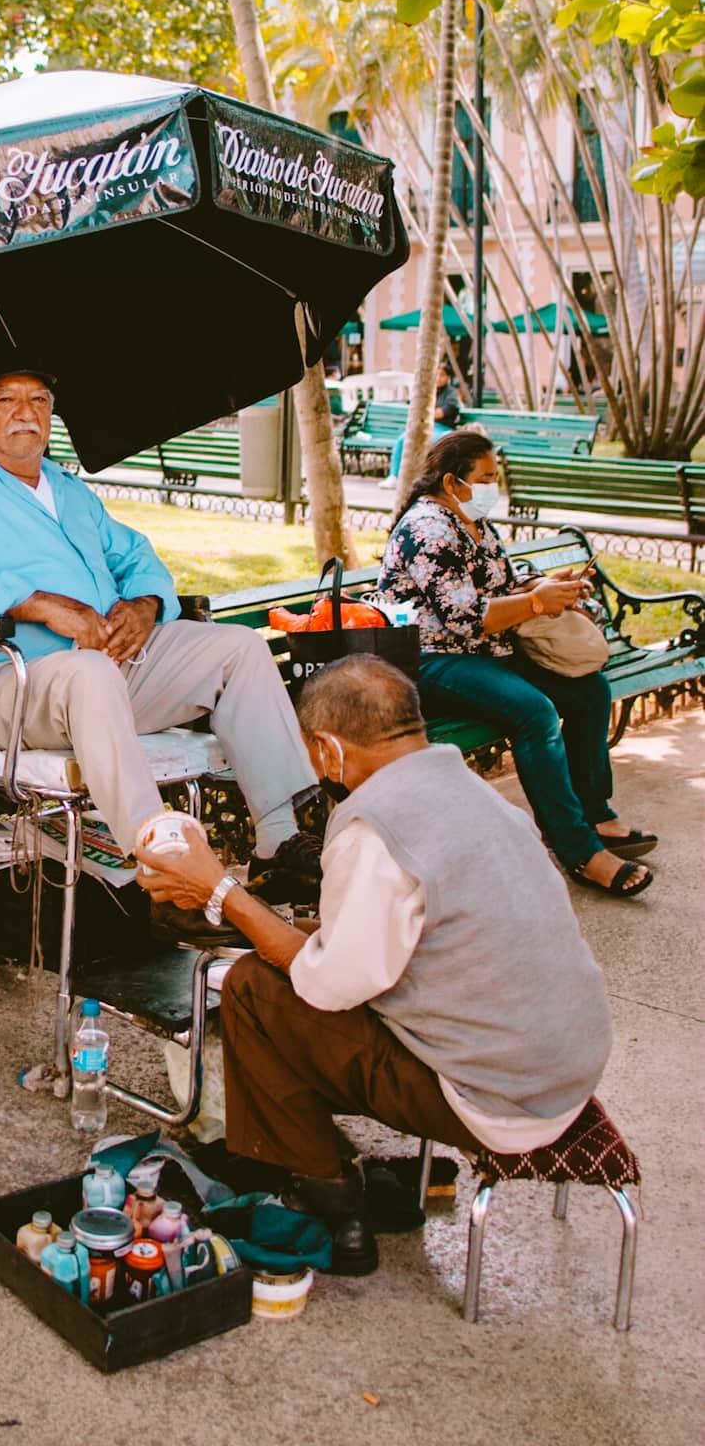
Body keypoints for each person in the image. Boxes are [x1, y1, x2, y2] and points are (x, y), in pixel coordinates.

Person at [135, 655, 615, 1274]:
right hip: (566, 1066)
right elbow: (385, 938)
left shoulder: (372, 825)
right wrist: (267, 921)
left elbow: (331, 985)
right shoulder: (476, 794)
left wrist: (220, 891)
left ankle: (326, 1192)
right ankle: (299, 1148)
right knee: (275, 956)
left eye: (310, 753)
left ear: (329, 749)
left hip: (499, 1098)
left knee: (255, 988)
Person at [0, 362, 316, 867]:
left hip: (109, 677)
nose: (27, 413)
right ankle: (166, 866)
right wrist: (39, 604)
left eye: (40, 401)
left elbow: (136, 556)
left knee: (239, 649)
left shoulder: (67, 488)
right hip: (7, 686)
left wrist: (146, 604)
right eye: (7, 400)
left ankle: (280, 840)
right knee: (89, 672)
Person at [376, 426, 654, 897]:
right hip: (431, 660)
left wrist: (549, 586)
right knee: (534, 712)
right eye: (485, 477)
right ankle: (579, 851)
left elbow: (500, 585)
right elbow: (463, 617)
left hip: (486, 652)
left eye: (494, 476)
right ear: (452, 482)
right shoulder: (427, 529)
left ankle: (595, 812)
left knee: (590, 691)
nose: (493, 487)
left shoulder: (473, 521)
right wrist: (537, 603)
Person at [386, 358, 461, 482]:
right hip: (425, 426)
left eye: (442, 375)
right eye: (436, 375)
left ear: (448, 377)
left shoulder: (451, 394)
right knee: (402, 440)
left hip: (442, 429)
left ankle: (425, 477)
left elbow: (441, 413)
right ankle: (393, 476)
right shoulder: (427, 391)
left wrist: (426, 412)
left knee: (430, 442)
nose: (438, 378)